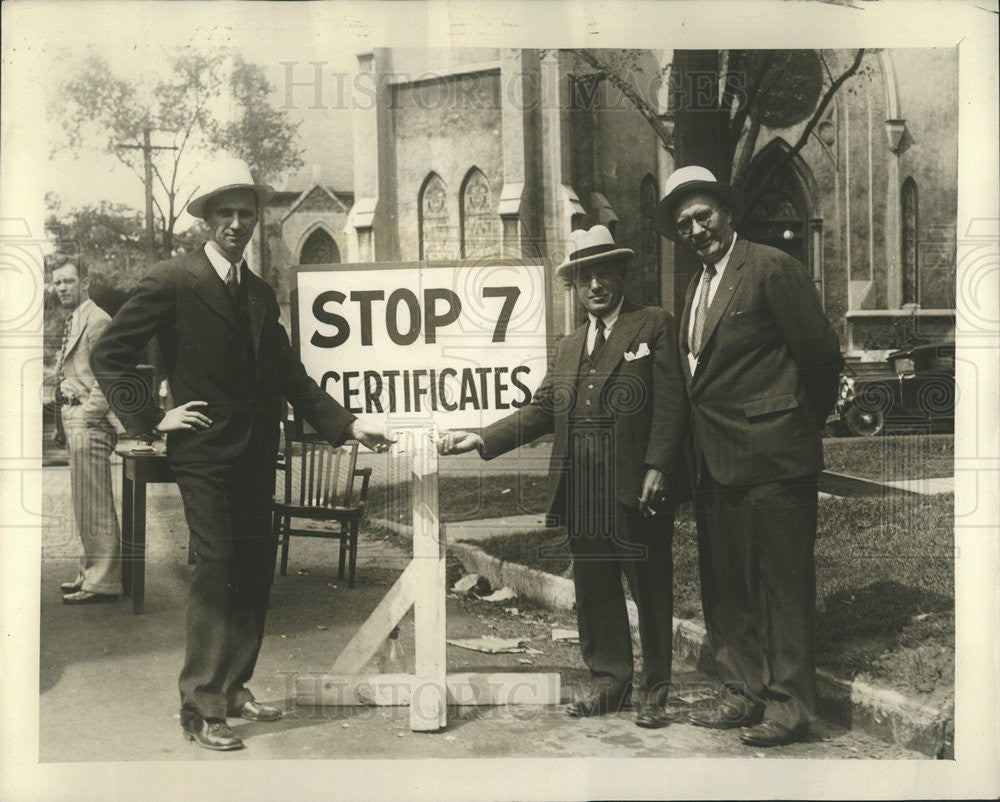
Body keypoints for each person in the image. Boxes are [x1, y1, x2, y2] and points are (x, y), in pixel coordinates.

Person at [91, 157, 394, 752]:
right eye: (224, 213)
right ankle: (200, 707)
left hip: (259, 451)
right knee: (217, 566)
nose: (236, 224)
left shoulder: (258, 291)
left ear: (256, 218)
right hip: (201, 453)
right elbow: (110, 355)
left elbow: (291, 376)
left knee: (254, 570)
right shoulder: (171, 280)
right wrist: (153, 419)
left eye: (245, 213)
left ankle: (234, 688)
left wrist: (350, 425)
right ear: (205, 219)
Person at [438, 225, 688, 729]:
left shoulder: (653, 325)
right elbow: (541, 411)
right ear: (574, 287)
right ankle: (609, 681)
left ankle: (655, 690)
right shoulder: (570, 346)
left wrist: (659, 466)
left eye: (603, 274)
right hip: (583, 491)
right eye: (583, 278)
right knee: (595, 591)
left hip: (635, 487)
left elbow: (670, 405)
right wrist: (482, 438)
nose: (594, 285)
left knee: (650, 586)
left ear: (621, 274)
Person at [655, 165, 842, 747]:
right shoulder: (696, 286)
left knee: (781, 586)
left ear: (727, 213)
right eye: (684, 223)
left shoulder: (769, 267)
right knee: (726, 584)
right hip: (714, 463)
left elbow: (819, 357)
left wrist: (792, 422)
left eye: (703, 215)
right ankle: (740, 693)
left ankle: (790, 707)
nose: (695, 229)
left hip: (775, 458)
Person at [50, 255, 123, 605]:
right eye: (57, 282)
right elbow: (72, 372)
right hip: (74, 420)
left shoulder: (98, 319)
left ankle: (104, 581)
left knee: (95, 503)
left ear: (84, 282)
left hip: (90, 423)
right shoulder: (75, 318)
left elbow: (109, 377)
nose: (61, 288)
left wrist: (86, 417)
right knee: (84, 503)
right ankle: (89, 573)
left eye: (67, 281)